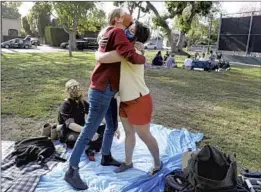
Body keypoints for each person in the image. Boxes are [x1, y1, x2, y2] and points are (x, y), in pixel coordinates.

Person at [64, 8, 146, 190]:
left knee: (112, 125)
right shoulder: (116, 31)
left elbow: (124, 46)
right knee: (88, 131)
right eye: (126, 15)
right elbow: (130, 55)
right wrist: (143, 57)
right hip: (103, 89)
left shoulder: (113, 33)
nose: (129, 18)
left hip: (108, 89)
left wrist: (135, 43)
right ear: (118, 19)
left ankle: (106, 156)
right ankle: (71, 170)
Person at [95, 20, 162, 175]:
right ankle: (128, 162)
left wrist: (97, 52)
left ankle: (158, 163)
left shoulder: (131, 53)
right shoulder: (129, 50)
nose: (126, 32)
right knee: (129, 133)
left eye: (131, 31)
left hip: (139, 100)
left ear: (137, 38)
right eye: (128, 29)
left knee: (144, 135)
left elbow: (103, 58)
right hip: (125, 100)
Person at [57, 79, 120, 161]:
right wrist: (89, 132)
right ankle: (94, 144)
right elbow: (71, 125)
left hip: (82, 130)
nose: (76, 90)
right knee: (76, 139)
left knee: (106, 129)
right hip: (69, 134)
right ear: (67, 91)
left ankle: (91, 149)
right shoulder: (66, 105)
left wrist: (113, 126)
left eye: (77, 87)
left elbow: (97, 115)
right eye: (73, 88)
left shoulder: (82, 103)